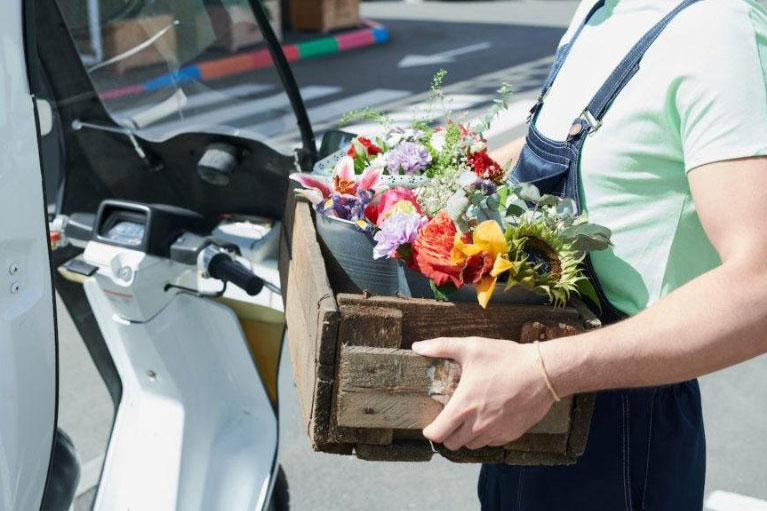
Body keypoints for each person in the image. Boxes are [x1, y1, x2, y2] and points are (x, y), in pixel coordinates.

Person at [411, 0, 767, 509]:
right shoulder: (599, 11)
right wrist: (430, 183)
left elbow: (760, 285)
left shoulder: (721, 32)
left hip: (620, 442)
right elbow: (557, 154)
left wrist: (545, 373)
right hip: (522, 405)